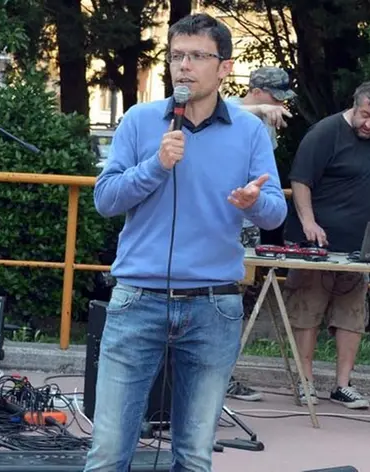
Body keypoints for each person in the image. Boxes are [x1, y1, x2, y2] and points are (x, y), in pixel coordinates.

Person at [87, 13, 286, 472]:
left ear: (224, 68)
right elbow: (105, 199)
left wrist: (253, 203)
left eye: (197, 56)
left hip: (213, 306)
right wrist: (155, 166)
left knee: (195, 456)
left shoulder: (249, 131)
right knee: (107, 452)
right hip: (138, 299)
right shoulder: (139, 122)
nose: (184, 66)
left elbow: (275, 212)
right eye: (177, 56)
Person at [283, 80, 370, 409]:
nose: (369, 124)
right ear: (354, 105)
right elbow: (300, 180)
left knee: (352, 314)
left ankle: (343, 384)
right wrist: (309, 222)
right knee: (306, 311)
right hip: (314, 242)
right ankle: (305, 381)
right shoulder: (324, 133)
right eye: (365, 115)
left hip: (360, 247)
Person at [224, 66, 296, 402]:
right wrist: (258, 110)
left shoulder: (266, 121)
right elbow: (222, 109)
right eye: (275, 96)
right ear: (257, 91)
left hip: (252, 223)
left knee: (240, 300)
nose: (280, 103)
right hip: (228, 223)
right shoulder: (235, 110)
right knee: (223, 298)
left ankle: (225, 372)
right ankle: (218, 374)